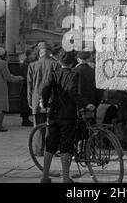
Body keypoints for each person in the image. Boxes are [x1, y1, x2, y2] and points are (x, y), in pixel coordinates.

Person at [40, 50, 86, 183]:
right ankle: (66, 178)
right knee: (66, 145)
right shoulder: (73, 75)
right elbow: (72, 92)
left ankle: (44, 176)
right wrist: (84, 104)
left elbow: (45, 89)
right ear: (73, 63)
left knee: (50, 145)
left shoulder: (53, 75)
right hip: (68, 115)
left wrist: (45, 102)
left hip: (53, 113)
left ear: (59, 62)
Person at [27, 42, 60, 155]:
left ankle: (38, 150)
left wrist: (30, 100)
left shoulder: (32, 65)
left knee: (37, 126)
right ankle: (49, 149)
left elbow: (29, 85)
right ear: (50, 52)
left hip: (36, 99)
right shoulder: (55, 64)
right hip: (51, 99)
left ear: (39, 53)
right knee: (51, 125)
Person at [19, 49, 37, 127]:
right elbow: (27, 76)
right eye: (33, 54)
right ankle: (25, 119)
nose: (35, 56)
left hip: (30, 85)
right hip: (26, 85)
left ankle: (27, 119)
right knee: (25, 102)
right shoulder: (26, 64)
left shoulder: (30, 63)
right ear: (29, 55)